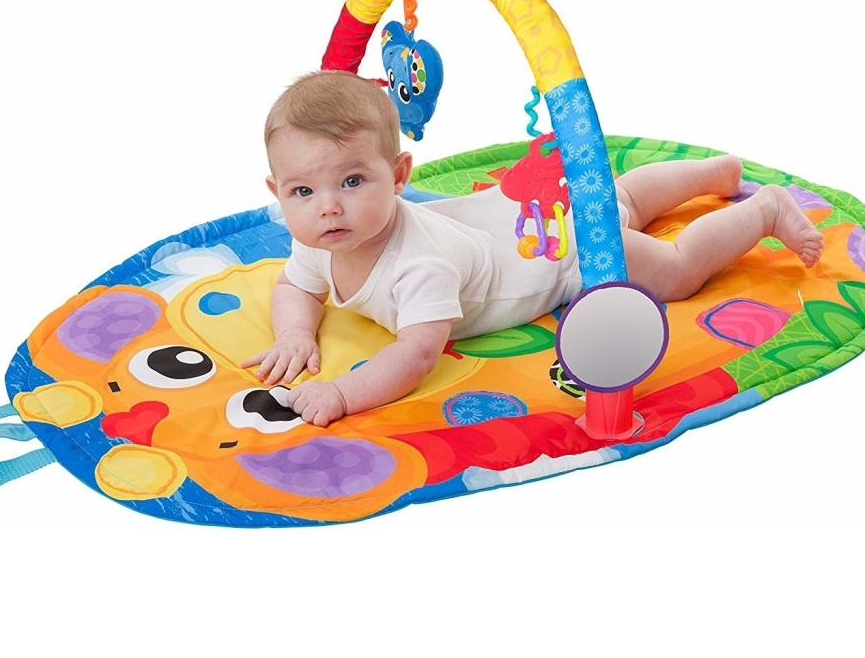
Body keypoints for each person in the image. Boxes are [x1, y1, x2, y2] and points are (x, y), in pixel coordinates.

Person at [243, 71, 824, 426]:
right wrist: (294, 334)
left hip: (557, 253)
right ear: (278, 192)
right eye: (303, 191)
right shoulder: (322, 239)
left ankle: (763, 210)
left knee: (673, 270)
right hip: (514, 213)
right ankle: (713, 174)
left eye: (352, 181)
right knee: (618, 198)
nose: (328, 207)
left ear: (398, 176)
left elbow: (417, 355)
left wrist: (342, 393)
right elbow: (297, 284)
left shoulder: (418, 265)